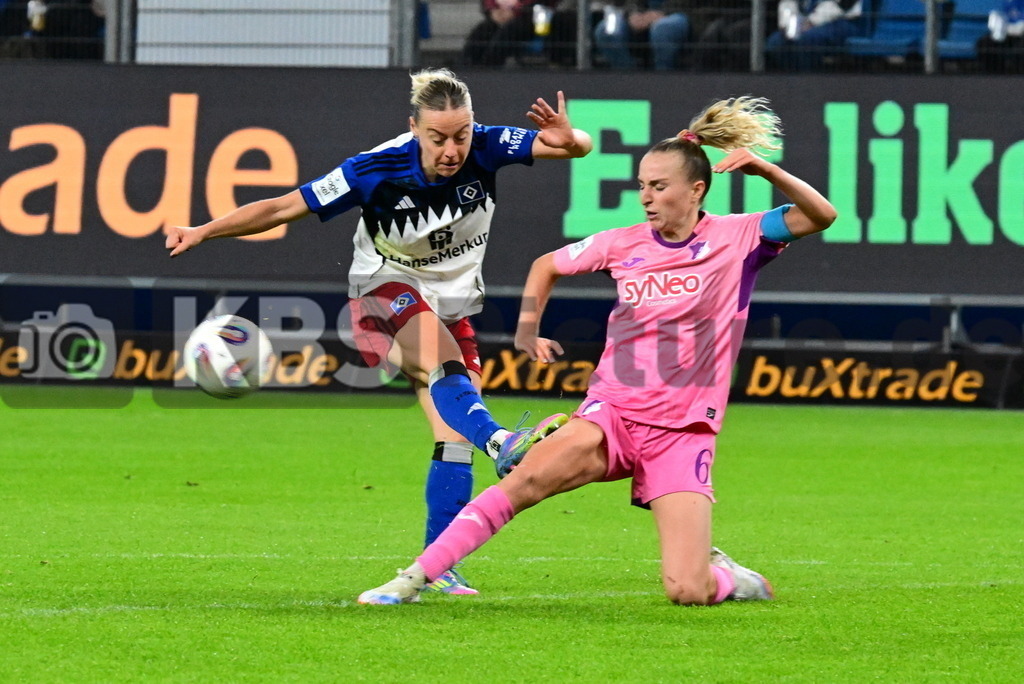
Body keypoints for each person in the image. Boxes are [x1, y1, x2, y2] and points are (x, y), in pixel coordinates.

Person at [358, 96, 837, 606]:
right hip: (613, 415)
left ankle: (732, 579)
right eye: (642, 187)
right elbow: (547, 265)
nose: (646, 198)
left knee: (687, 590)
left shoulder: (739, 236)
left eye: (658, 186)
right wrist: (527, 330)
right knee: (524, 480)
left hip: (684, 431)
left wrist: (765, 169)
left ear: (696, 189)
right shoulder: (622, 242)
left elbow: (821, 215)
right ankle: (412, 579)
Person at [165, 69, 593, 596]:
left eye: (461, 135)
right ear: (413, 128)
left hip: (452, 306)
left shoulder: (486, 145)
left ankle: (438, 568)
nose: (452, 149)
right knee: (445, 364)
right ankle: (504, 442)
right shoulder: (373, 168)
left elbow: (574, 146)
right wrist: (203, 231)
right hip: (380, 297)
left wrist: (570, 136)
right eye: (438, 138)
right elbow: (282, 207)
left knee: (455, 438)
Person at [766, 0, 866, 71]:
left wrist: (812, 21)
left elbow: (845, 4)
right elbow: (788, 3)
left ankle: (807, 83)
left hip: (843, 20)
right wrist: (787, 23)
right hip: (804, 23)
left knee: (806, 41)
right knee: (775, 42)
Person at [593, 0, 692, 71]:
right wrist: (633, 13)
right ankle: (627, 78)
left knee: (663, 28)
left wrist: (663, 13)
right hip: (630, 12)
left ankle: (663, 81)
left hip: (680, 12)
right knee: (606, 29)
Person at [463, 0, 540, 66]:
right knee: (482, 30)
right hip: (498, 16)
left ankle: (489, 65)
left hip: (528, 20)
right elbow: (488, 3)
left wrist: (515, 10)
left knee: (508, 32)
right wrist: (493, 10)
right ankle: (466, 64)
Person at [977, 0, 1024, 74]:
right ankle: (994, 73)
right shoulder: (1006, 3)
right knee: (984, 42)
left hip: (1020, 35)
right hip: (1005, 33)